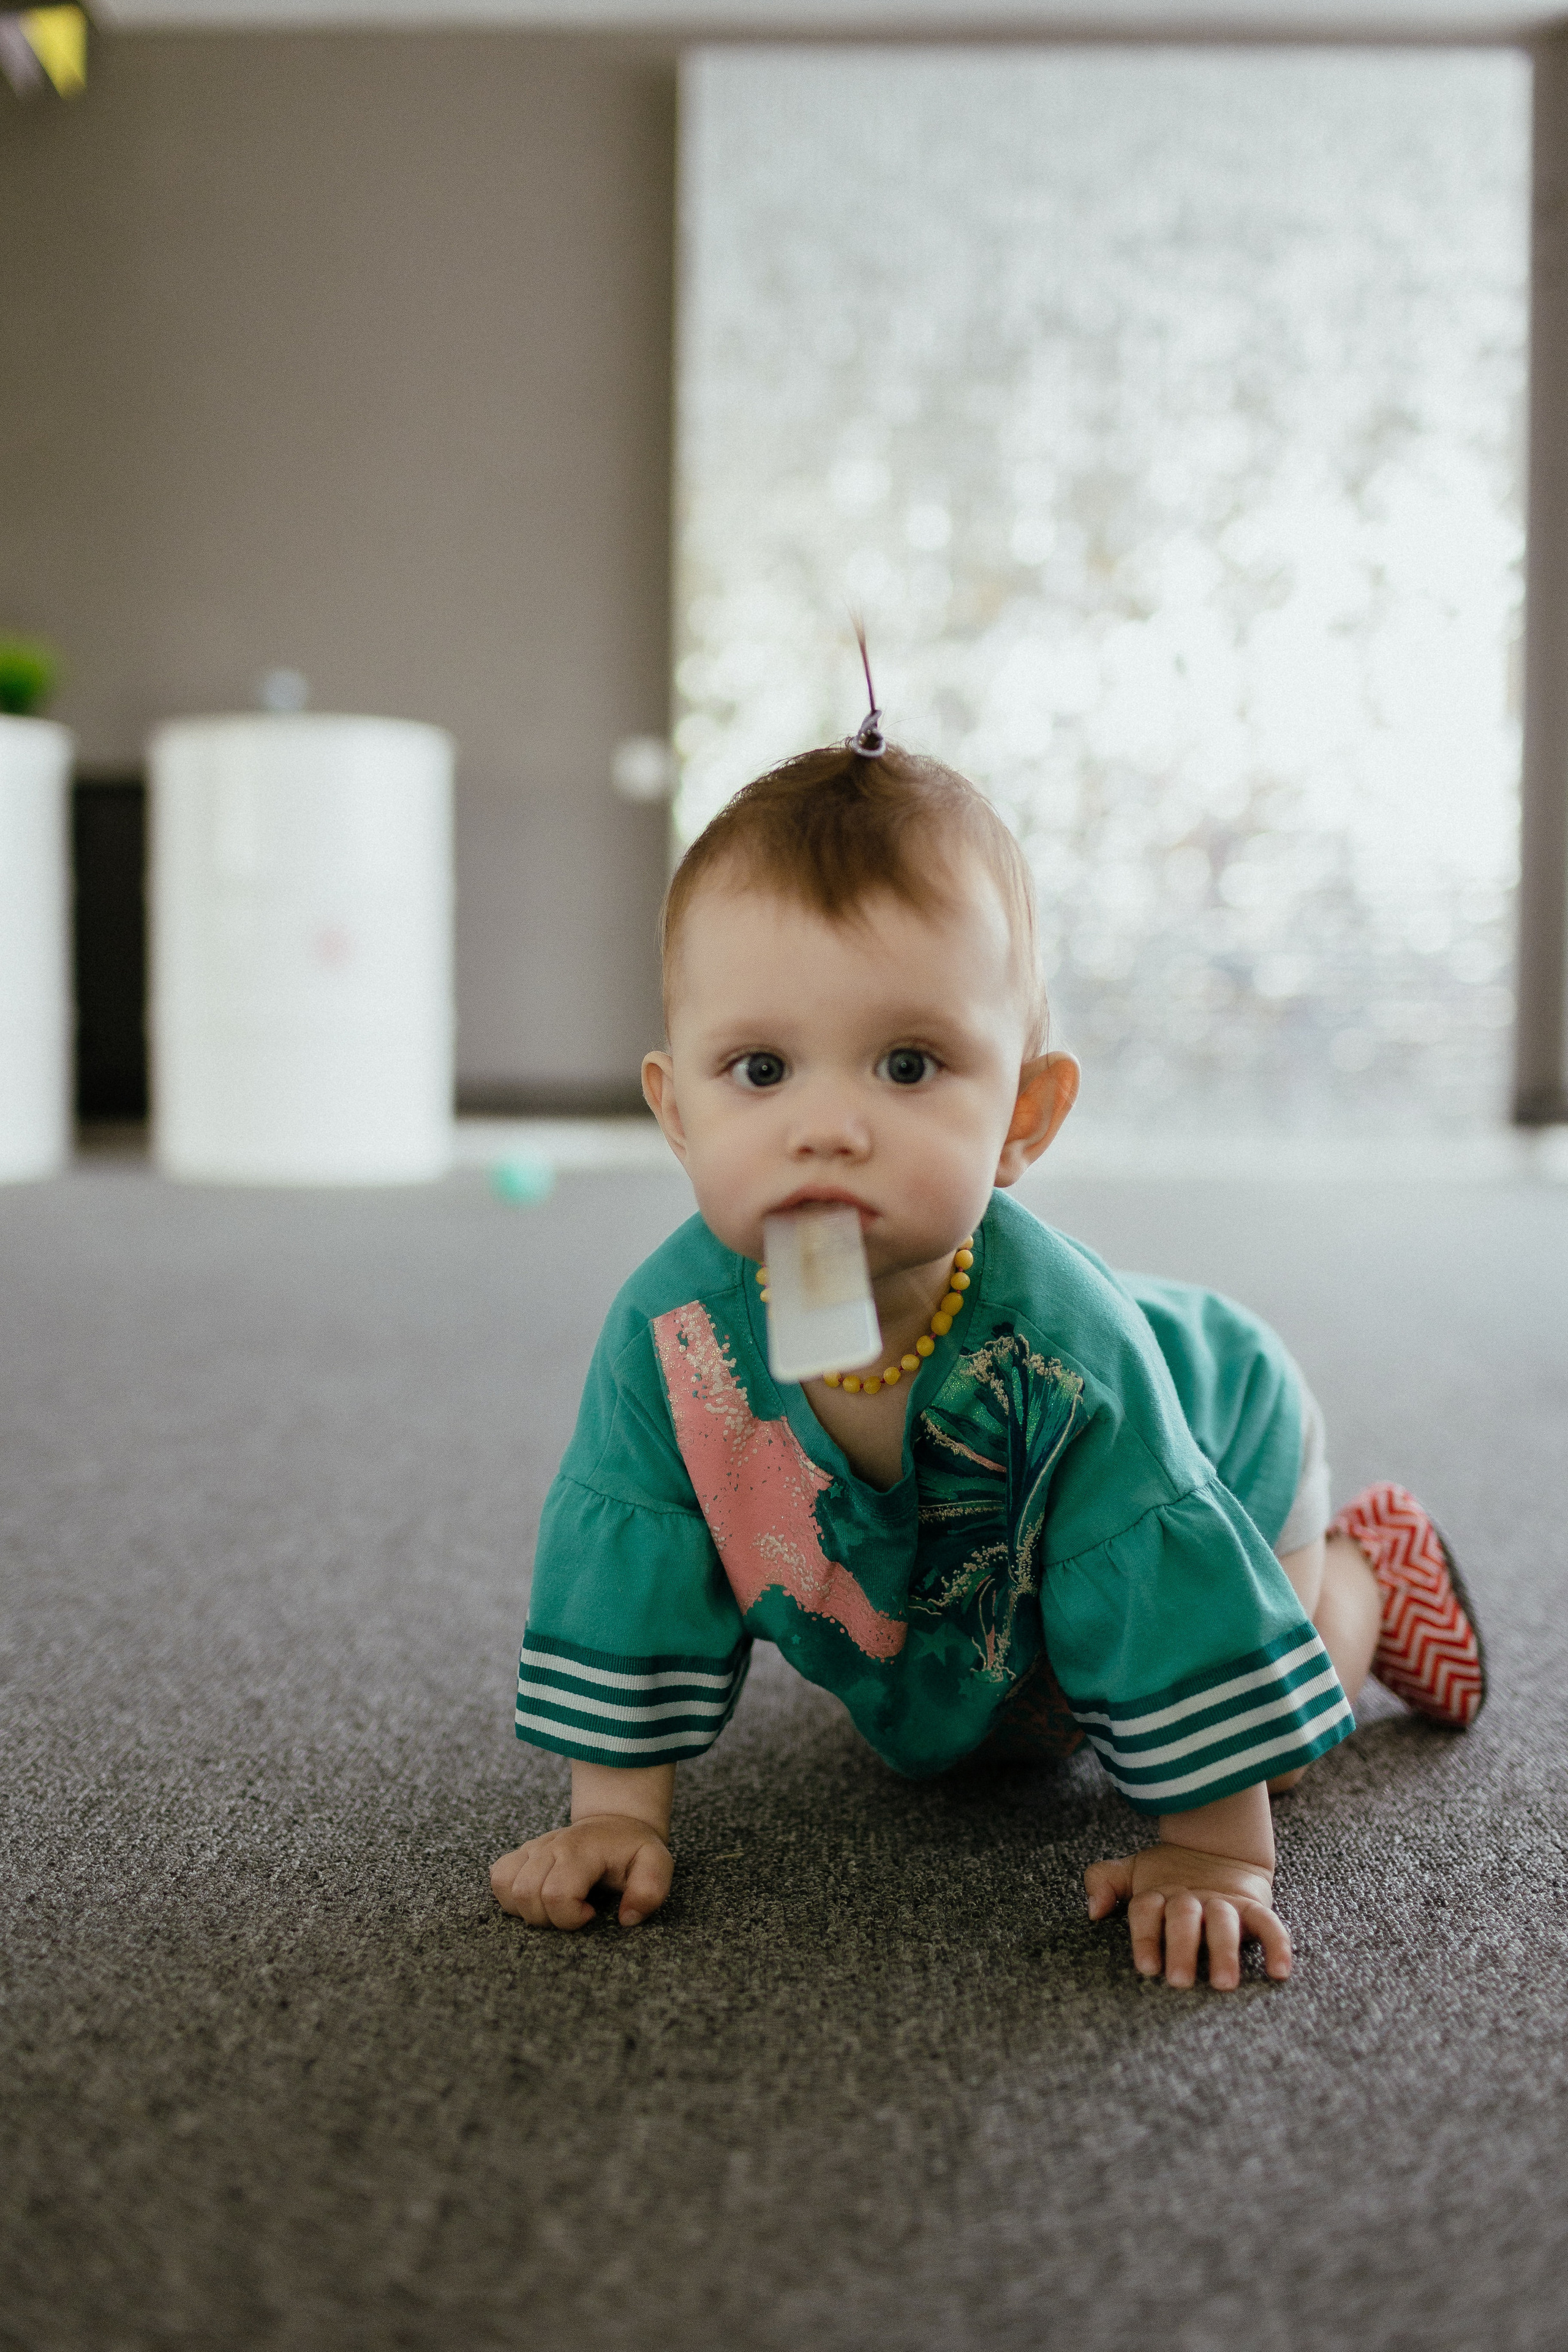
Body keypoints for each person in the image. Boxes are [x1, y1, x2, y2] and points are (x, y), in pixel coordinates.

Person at [490, 683, 1487, 1989]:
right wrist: (613, 1815)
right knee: (986, 1741)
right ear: (676, 1114)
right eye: (760, 1070)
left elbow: (1157, 1571)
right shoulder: (670, 1335)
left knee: (1259, 1734)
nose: (825, 1127)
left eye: (905, 1066)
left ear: (1022, 1116)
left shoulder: (1067, 1353)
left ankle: (1367, 1576)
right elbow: (632, 1544)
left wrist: (1212, 1856)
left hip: (1208, 1436)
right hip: (987, 1544)